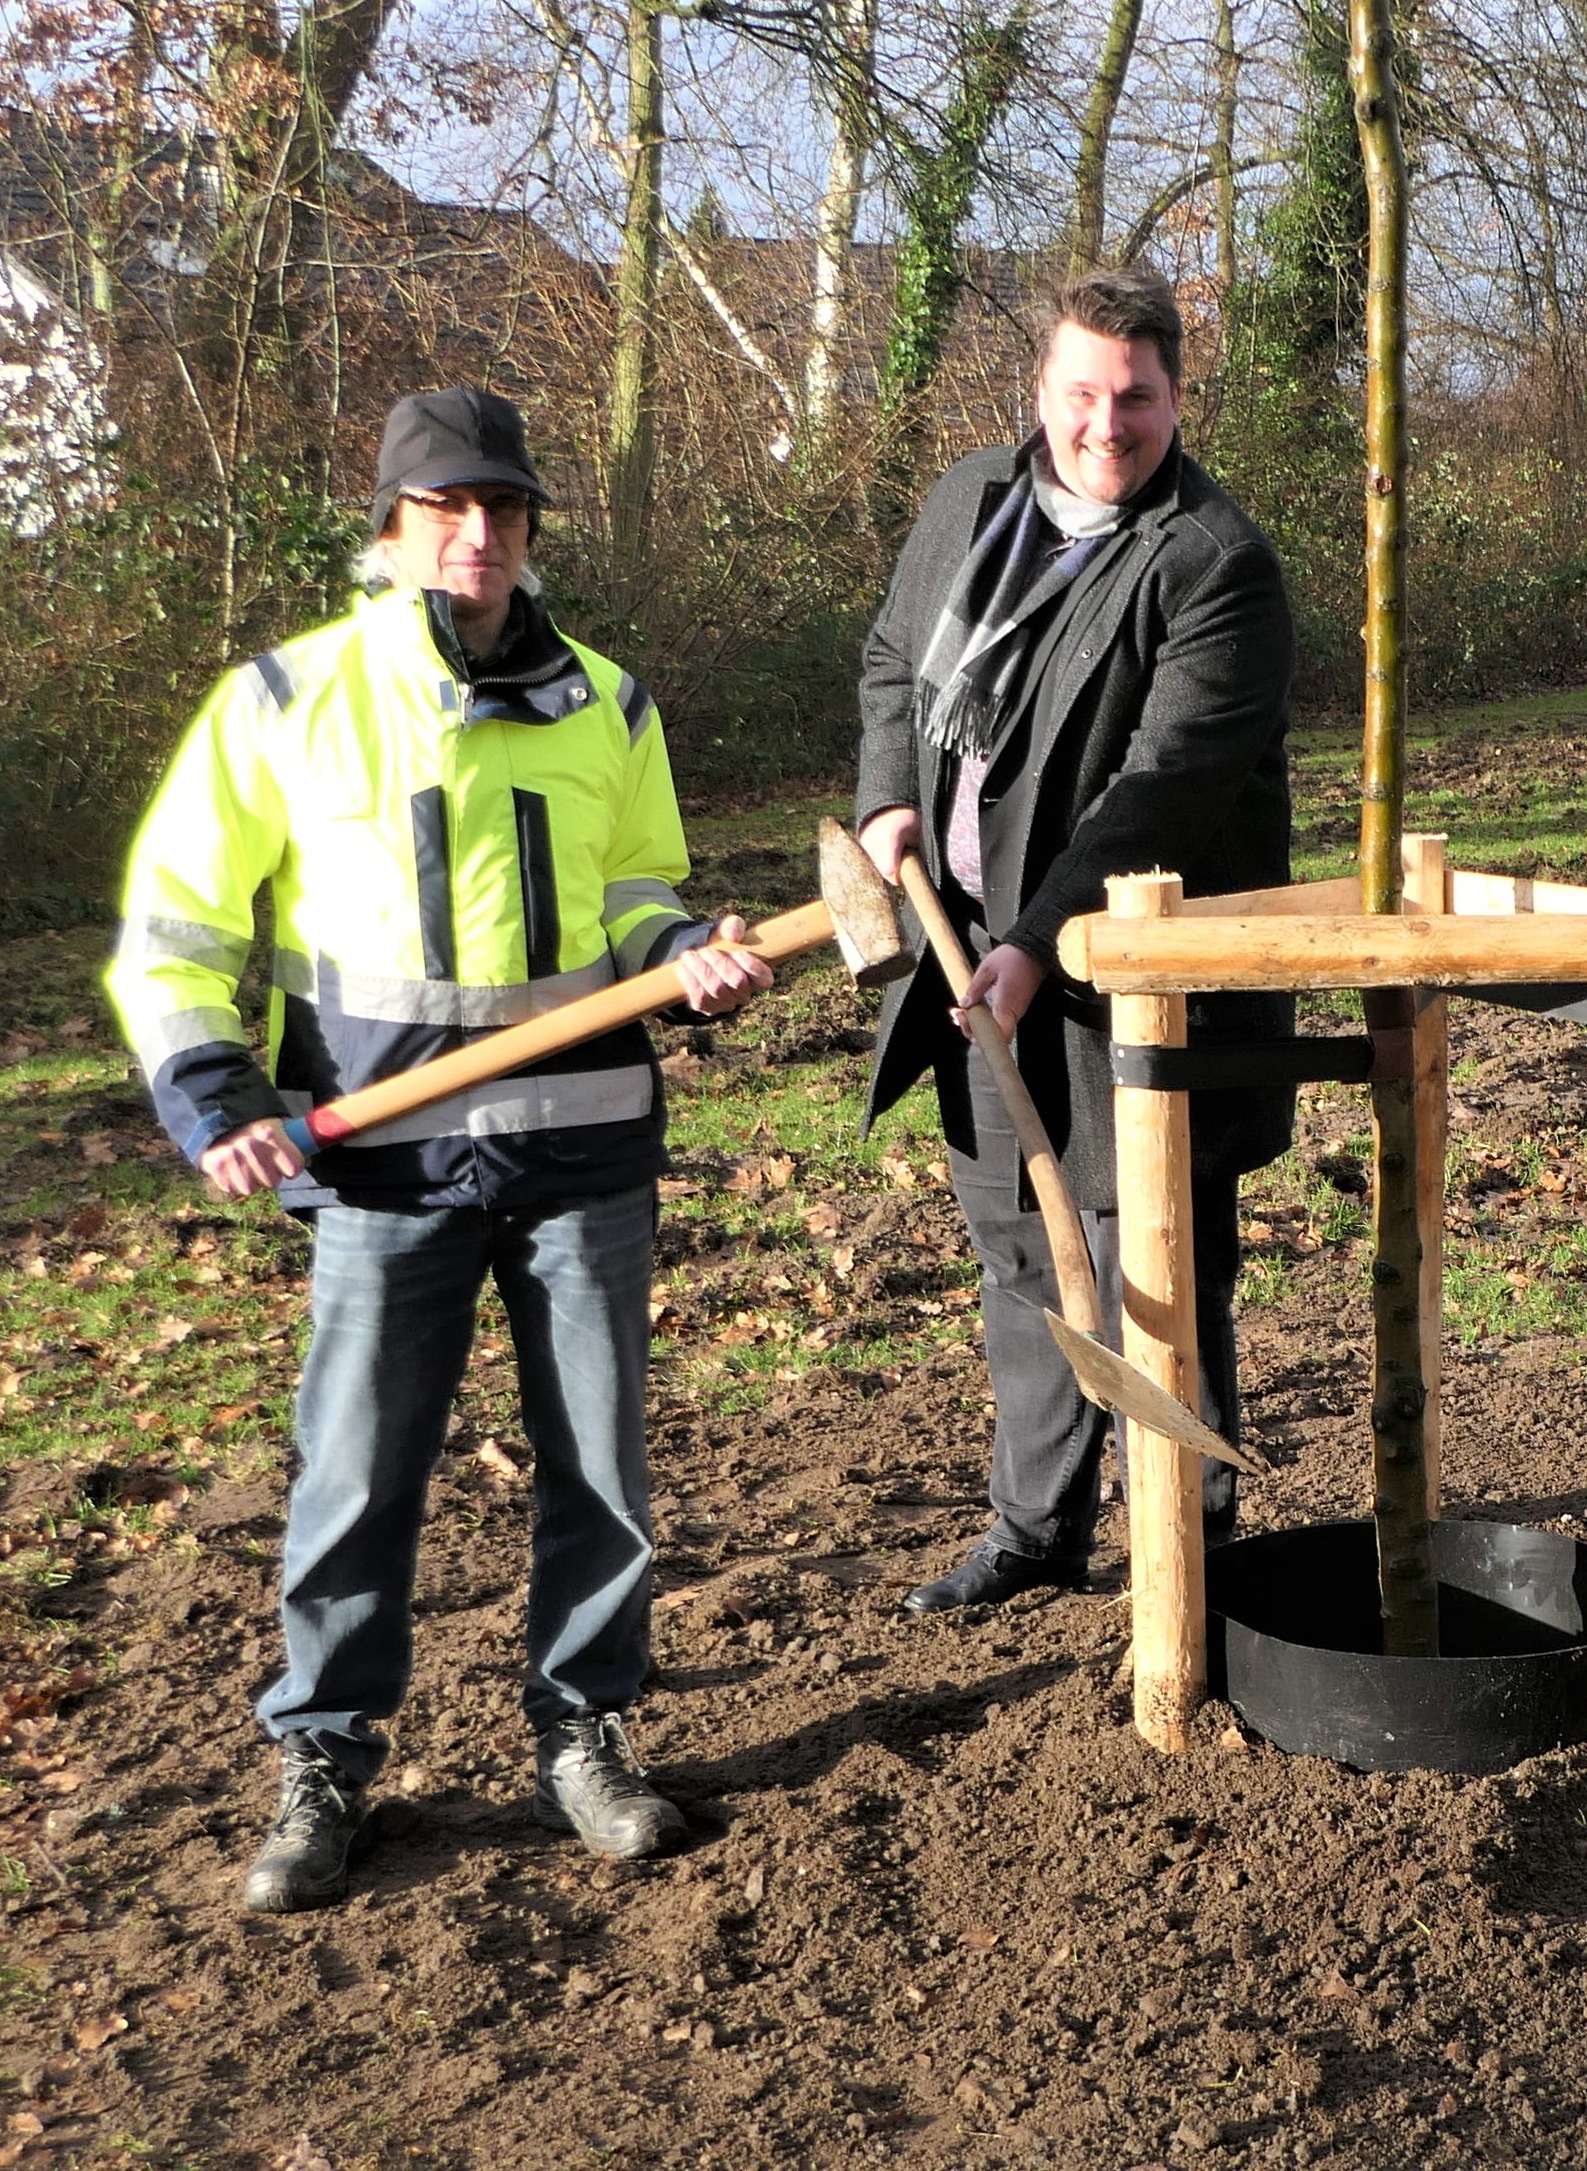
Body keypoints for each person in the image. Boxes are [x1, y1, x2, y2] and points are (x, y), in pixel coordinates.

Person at [106, 386, 773, 1911]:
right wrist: (212, 1095)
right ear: (394, 526)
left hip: (580, 1154)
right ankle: (328, 1754)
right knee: (357, 1473)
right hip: (381, 1167)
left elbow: (634, 892)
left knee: (600, 1470)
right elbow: (176, 931)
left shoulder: (611, 702)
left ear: (534, 528)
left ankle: (586, 1733)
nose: (480, 535)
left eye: (507, 510)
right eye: (446, 509)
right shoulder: (284, 702)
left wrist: (689, 951)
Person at [856, 264, 1297, 1615]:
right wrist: (887, 798)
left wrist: (1042, 940)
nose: (1109, 425)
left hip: (1136, 983)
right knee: (1019, 1254)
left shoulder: (1213, 562)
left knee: (1150, 1265)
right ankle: (1033, 1534)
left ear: (1178, 396)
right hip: (969, 948)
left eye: (1139, 397)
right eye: (1083, 394)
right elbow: (889, 663)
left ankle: (1196, 1557)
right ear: (1041, 392)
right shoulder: (972, 500)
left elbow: (1161, 790)